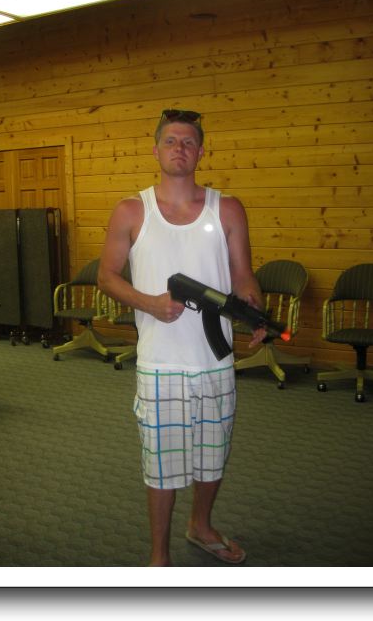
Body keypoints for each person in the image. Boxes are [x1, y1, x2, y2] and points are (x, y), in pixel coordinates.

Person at [98, 109, 266, 566]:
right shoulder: (132, 211)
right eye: (171, 141)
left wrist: (254, 307)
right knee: (162, 465)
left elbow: (243, 274)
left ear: (201, 152)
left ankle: (201, 526)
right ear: (156, 150)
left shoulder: (227, 208)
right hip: (160, 362)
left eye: (189, 142)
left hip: (214, 360)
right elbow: (107, 276)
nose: (179, 148)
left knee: (213, 455)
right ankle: (159, 557)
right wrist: (149, 303)